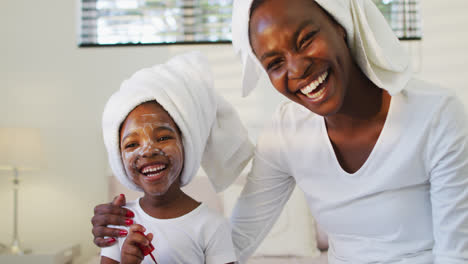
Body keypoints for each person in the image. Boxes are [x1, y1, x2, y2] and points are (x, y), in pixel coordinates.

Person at [92, 0, 468, 263]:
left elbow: (456, 252)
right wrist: (136, 228)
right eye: (274, 62)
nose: (297, 68)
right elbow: (234, 240)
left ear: (340, 24)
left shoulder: (435, 114)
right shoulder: (287, 134)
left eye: (305, 39)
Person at [98, 51, 253, 264]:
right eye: (132, 144)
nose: (148, 150)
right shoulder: (119, 221)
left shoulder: (211, 225)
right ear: (119, 158)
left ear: (186, 143)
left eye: (162, 137)